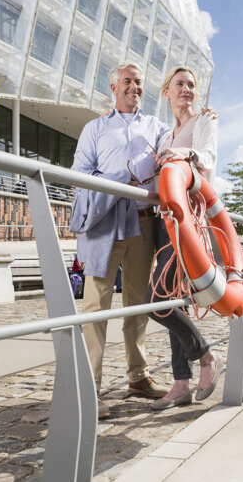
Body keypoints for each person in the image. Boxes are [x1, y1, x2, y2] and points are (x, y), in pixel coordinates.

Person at [70, 63, 172, 418]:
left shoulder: (157, 128)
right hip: (104, 224)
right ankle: (89, 389)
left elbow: (177, 152)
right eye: (127, 81)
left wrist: (203, 117)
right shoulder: (94, 128)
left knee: (138, 305)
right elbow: (79, 174)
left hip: (142, 225)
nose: (134, 87)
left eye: (139, 82)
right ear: (113, 87)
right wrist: (120, 177)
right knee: (95, 307)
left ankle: (138, 377)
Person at [145, 66, 222, 410]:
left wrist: (185, 156)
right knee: (173, 299)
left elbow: (208, 157)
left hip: (189, 220)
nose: (187, 89)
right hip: (165, 222)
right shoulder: (164, 136)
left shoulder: (204, 121)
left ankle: (205, 355)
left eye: (191, 84)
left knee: (158, 300)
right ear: (167, 92)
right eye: (180, 84)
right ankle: (180, 383)